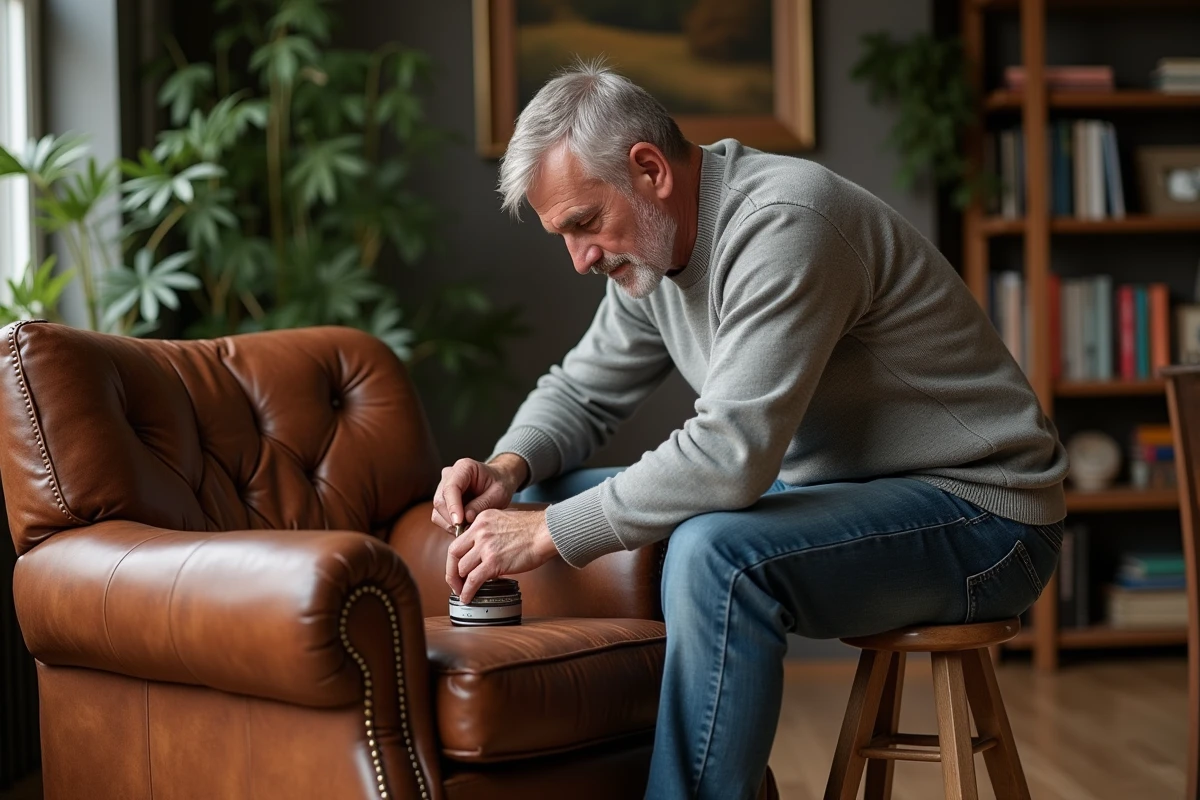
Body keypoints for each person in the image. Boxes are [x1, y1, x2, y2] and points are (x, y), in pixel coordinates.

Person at [431, 61, 1068, 800]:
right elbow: (582, 390)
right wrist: (507, 468)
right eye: (563, 236)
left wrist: (547, 532)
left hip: (985, 516)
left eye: (584, 223)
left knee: (715, 553)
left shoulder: (785, 220)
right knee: (543, 493)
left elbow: (731, 455)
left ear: (649, 170)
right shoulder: (649, 255)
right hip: (853, 498)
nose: (581, 259)